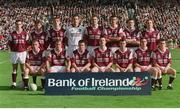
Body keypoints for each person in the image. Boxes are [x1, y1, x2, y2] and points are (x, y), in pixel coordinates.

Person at [8, 20, 29, 89]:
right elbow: (10, 43)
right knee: (14, 68)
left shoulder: (25, 33)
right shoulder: (12, 34)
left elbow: (28, 43)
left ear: (21, 24)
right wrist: (10, 49)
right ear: (15, 25)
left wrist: (27, 49)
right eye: (17, 24)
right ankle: (14, 83)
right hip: (14, 52)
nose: (18, 25)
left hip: (23, 52)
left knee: (23, 68)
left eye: (19, 24)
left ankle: (24, 83)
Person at [29, 19, 48, 84]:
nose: (38, 26)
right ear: (34, 26)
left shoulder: (45, 34)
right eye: (36, 25)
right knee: (34, 65)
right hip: (34, 52)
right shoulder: (32, 34)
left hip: (43, 52)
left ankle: (46, 83)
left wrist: (45, 51)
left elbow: (47, 43)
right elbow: (30, 43)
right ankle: (34, 82)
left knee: (44, 67)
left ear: (41, 25)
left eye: (39, 25)